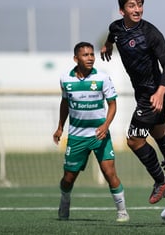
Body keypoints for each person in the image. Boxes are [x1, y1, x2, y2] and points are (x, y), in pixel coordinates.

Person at [100, 0, 165, 204]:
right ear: (122, 10)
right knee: (159, 132)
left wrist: (160, 92)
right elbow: (112, 35)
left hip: (153, 93)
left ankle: (161, 181)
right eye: (132, 5)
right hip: (143, 93)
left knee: (133, 140)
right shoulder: (116, 28)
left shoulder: (151, 33)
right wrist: (107, 46)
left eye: (140, 5)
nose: (137, 9)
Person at [53, 41, 129, 222]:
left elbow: (112, 104)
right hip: (76, 137)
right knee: (68, 179)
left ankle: (122, 211)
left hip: (99, 135)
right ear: (76, 58)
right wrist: (60, 127)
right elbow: (65, 103)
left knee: (110, 174)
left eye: (92, 55)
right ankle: (65, 201)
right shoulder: (66, 79)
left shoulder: (102, 78)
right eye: (85, 55)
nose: (90, 58)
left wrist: (105, 126)